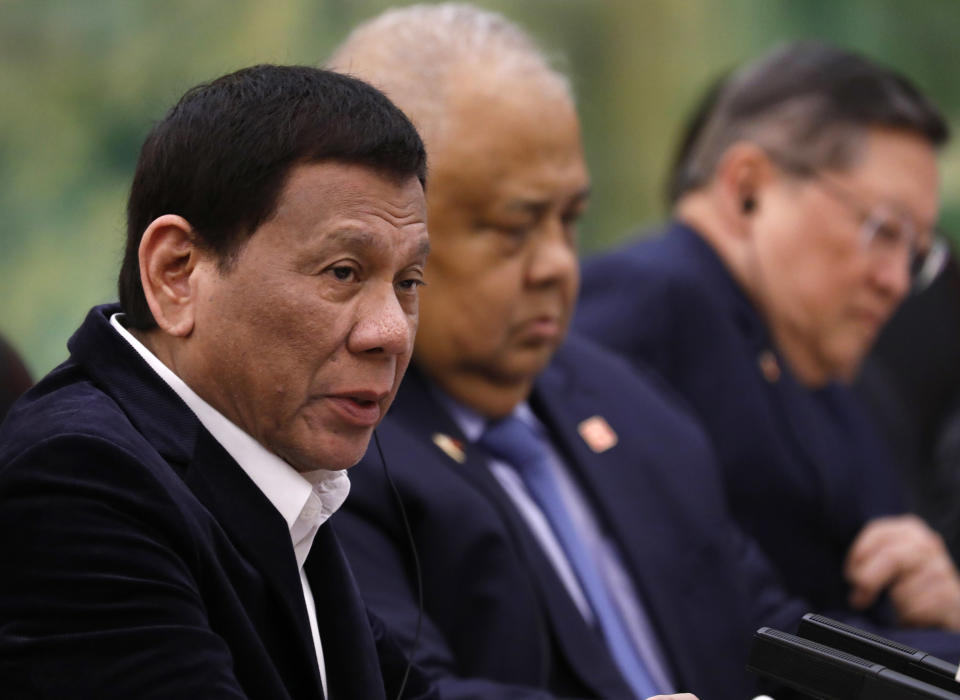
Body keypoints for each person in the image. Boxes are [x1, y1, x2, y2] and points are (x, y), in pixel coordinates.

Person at [327, 8, 960, 699]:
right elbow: (402, 691)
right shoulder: (337, 446)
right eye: (513, 227)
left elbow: (764, 631)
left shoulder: (629, 404)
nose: (557, 265)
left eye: (569, 220)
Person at [0, 64, 437, 700]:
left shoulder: (267, 462)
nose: (390, 332)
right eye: (343, 272)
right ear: (177, 273)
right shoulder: (80, 479)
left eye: (409, 282)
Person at [576, 42, 960, 636]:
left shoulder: (832, 376)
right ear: (747, 189)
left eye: (916, 255)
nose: (897, 282)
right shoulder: (647, 307)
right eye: (883, 231)